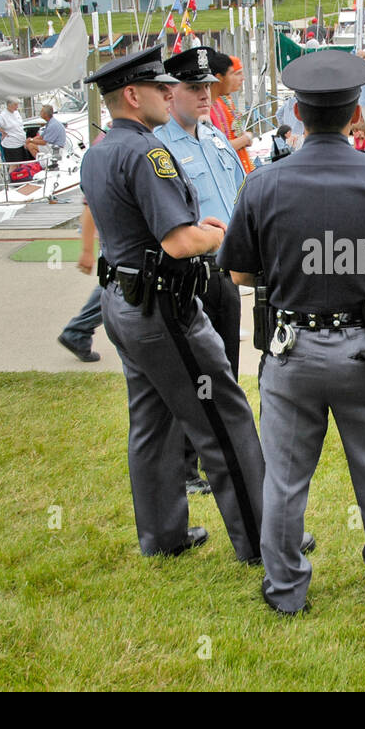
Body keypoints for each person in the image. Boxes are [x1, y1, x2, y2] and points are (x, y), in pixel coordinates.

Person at [219, 49, 365, 614]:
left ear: (296, 112)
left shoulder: (263, 183)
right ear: (356, 110)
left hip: (292, 351)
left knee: (284, 481)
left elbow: (239, 271)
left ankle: (286, 591)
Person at [77, 45, 267, 561]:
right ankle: (263, 538)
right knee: (225, 418)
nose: (170, 92)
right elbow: (179, 242)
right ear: (133, 96)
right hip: (165, 308)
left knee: (153, 422)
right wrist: (216, 234)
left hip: (123, 302)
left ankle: (163, 536)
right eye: (161, 88)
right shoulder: (148, 153)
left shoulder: (97, 152)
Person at [155, 46, 250, 497]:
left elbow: (237, 195)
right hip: (187, 272)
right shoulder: (158, 147)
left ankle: (216, 461)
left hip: (223, 272)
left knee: (224, 367)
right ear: (169, 93)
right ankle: (185, 465)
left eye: (207, 87)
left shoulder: (212, 137)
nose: (204, 96)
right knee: (195, 374)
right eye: (194, 88)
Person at [56, 202, 103, 363]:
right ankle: (77, 332)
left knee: (115, 286)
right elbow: (90, 206)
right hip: (121, 242)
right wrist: (87, 251)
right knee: (118, 286)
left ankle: (77, 332)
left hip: (118, 241)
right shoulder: (99, 176)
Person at [208, 54, 253, 174]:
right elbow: (220, 147)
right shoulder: (209, 107)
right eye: (236, 73)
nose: (242, 78)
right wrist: (245, 139)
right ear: (219, 77)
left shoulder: (225, 100)